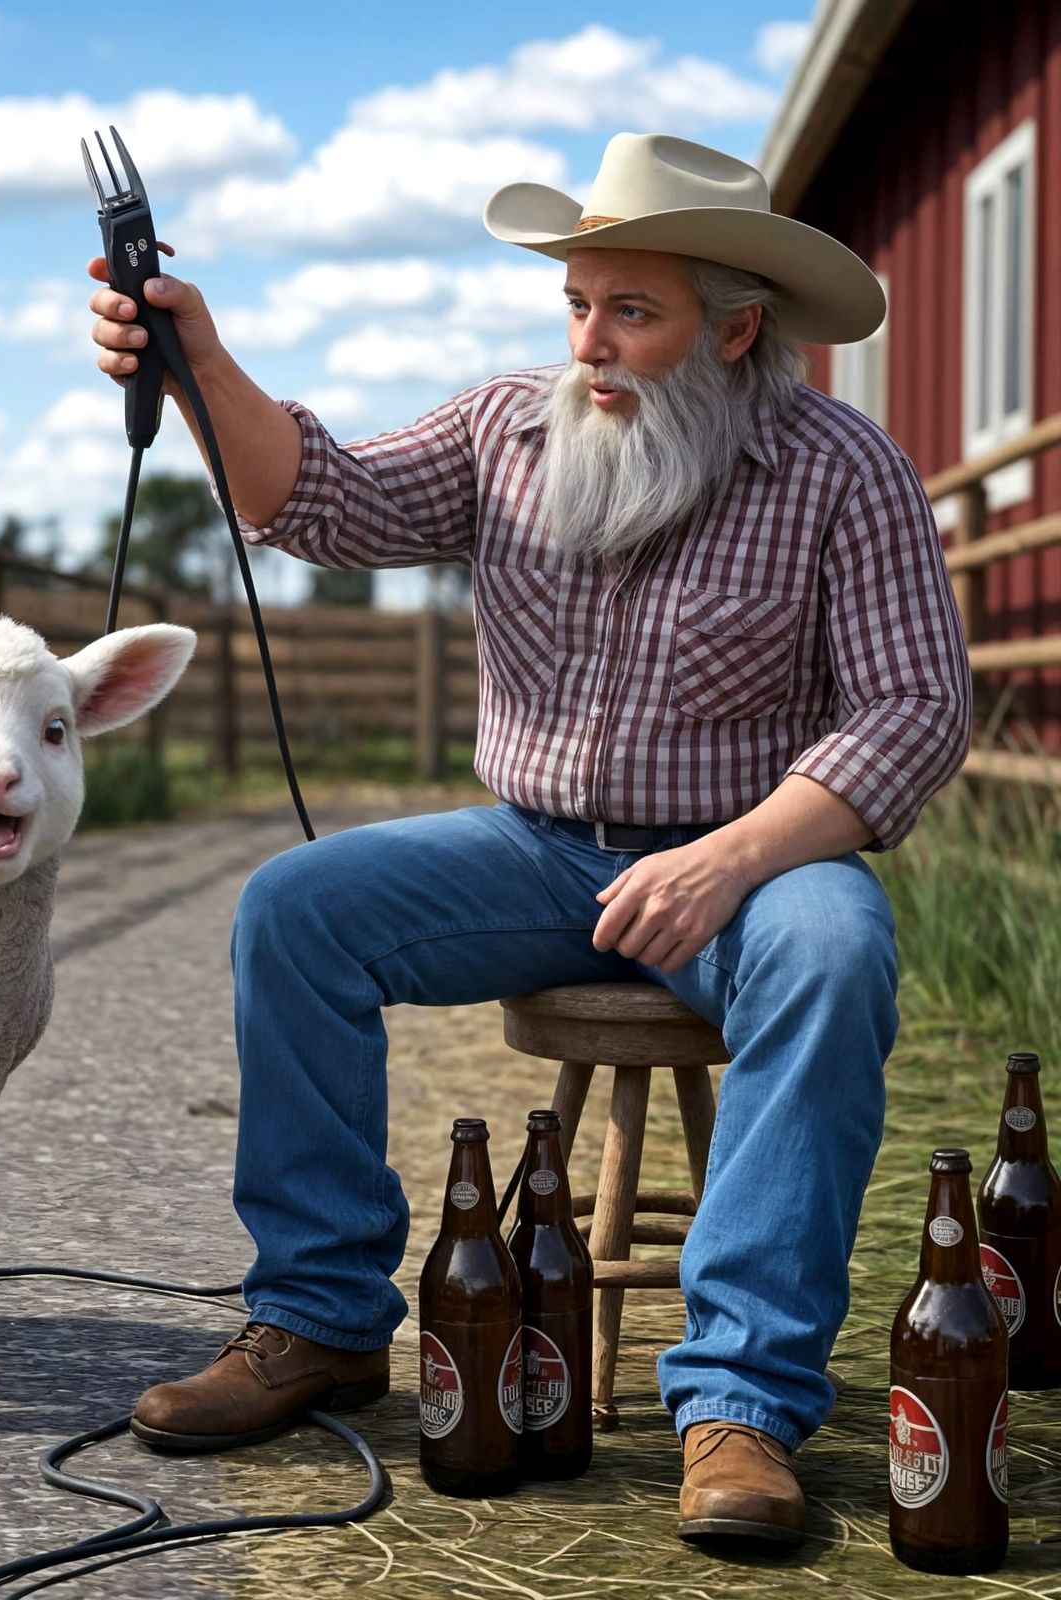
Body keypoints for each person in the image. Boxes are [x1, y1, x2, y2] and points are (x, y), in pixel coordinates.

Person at [84, 131, 972, 1549]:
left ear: (736, 328)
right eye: (577, 304)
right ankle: (317, 1318)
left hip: (755, 865)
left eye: (633, 311)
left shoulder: (843, 472)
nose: (592, 345)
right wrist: (200, 362)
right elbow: (316, 497)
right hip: (537, 847)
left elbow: (916, 710)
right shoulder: (509, 426)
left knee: (837, 951)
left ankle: (738, 1403)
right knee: (295, 908)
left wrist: (734, 857)